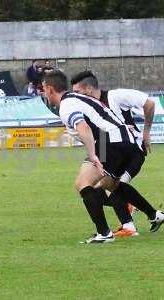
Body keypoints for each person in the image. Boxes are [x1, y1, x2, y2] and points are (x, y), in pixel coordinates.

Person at [42, 70, 164, 244]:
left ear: (50, 89)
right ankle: (152, 214)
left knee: (83, 184)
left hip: (109, 141)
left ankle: (104, 233)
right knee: (110, 186)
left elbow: (83, 127)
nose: (43, 92)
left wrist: (93, 155)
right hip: (126, 141)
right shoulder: (79, 99)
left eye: (43, 88)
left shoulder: (67, 105)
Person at [71, 70, 156, 237]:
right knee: (94, 188)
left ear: (88, 89)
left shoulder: (115, 97)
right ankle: (147, 212)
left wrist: (146, 132)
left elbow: (150, 103)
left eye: (77, 92)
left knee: (114, 186)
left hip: (133, 149)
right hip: (107, 149)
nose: (75, 97)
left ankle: (128, 226)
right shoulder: (88, 109)